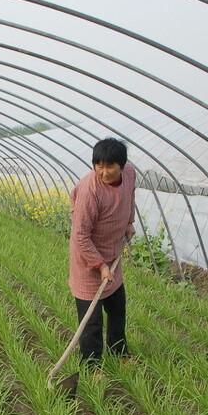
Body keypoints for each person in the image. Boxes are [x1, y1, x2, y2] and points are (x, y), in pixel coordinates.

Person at [68, 138, 136, 375]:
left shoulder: (129, 174)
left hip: (112, 253)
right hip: (88, 260)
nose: (104, 171)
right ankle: (92, 367)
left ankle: (119, 351)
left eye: (109, 166)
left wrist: (129, 223)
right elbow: (80, 235)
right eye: (99, 165)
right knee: (91, 321)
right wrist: (99, 265)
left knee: (118, 309)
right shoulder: (90, 190)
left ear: (122, 165)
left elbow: (130, 197)